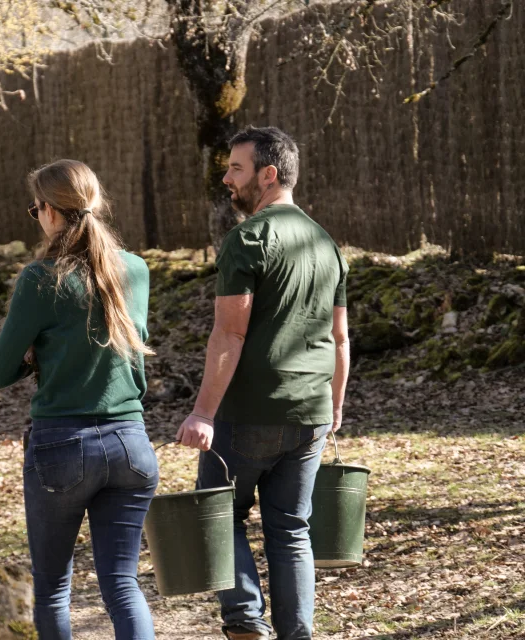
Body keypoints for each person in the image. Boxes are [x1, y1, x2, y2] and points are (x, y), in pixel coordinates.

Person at [176, 126, 350, 640]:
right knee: (291, 530)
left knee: (220, 514)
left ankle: (245, 621)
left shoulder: (247, 239)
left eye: (236, 168)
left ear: (268, 174)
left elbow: (229, 331)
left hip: (248, 412)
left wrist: (203, 412)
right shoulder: (326, 242)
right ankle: (297, 634)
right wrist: (334, 406)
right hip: (311, 412)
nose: (226, 178)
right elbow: (340, 338)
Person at [0, 159, 158, 640]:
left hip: (62, 445)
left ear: (50, 212)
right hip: (131, 443)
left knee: (53, 587)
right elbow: (131, 349)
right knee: (123, 584)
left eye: (35, 208)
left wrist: (31, 357)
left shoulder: (41, 279)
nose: (36, 216)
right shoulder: (136, 271)